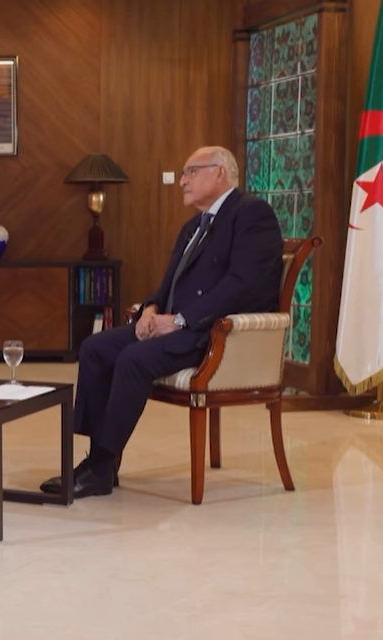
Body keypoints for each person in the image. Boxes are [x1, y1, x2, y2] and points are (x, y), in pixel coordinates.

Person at [40, 146, 283, 498]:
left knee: (133, 360)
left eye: (190, 172)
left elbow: (242, 285)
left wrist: (182, 320)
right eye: (182, 174)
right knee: (95, 348)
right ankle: (98, 461)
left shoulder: (252, 214)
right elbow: (169, 285)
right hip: (175, 326)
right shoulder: (193, 227)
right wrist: (150, 310)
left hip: (212, 335)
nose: (182, 181)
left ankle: (101, 465)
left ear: (219, 172)